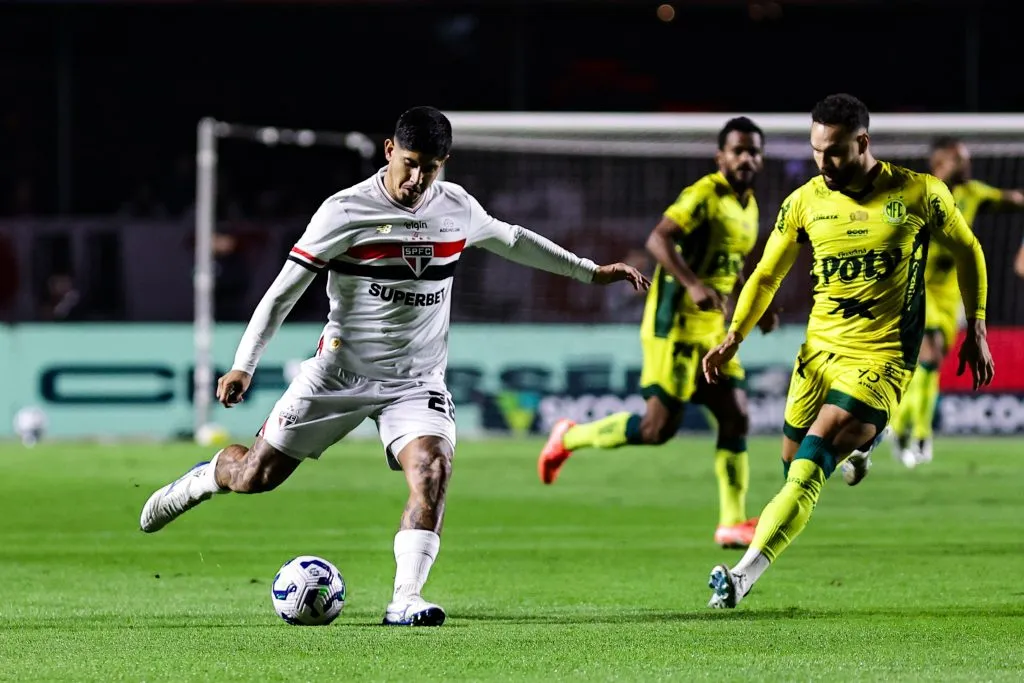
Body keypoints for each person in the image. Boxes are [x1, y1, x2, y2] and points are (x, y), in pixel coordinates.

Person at [139, 106, 648, 626]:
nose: (417, 178)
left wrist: (589, 272)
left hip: (415, 381)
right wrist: (244, 365)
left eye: (430, 166)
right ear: (388, 151)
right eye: (409, 163)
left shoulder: (455, 207)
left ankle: (405, 598)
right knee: (255, 477)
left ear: (444, 163)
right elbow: (282, 293)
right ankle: (205, 479)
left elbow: (512, 238)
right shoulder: (344, 211)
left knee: (433, 467)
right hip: (338, 373)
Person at [701, 94, 993, 609]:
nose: (824, 163)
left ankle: (741, 578)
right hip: (817, 353)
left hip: (881, 355)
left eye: (834, 151)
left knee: (810, 462)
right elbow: (766, 273)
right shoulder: (805, 202)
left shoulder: (920, 193)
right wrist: (734, 336)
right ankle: (863, 445)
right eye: (817, 151)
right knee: (792, 462)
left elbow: (968, 249)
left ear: (863, 142)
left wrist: (979, 327)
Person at [537, 117, 778, 549]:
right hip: (675, 329)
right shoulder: (705, 194)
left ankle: (731, 521)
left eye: (754, 151)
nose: (747, 158)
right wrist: (692, 284)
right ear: (720, 156)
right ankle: (568, 436)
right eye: (738, 150)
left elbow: (734, 265)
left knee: (736, 416)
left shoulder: (750, 205)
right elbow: (658, 241)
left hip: (714, 332)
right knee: (657, 430)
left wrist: (754, 307)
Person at [887, 137, 1024, 466]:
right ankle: (919, 432)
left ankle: (904, 426)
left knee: (932, 363)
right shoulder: (918, 192)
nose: (967, 165)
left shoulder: (974, 193)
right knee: (929, 352)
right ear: (939, 164)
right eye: (958, 160)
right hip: (916, 283)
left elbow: (1013, 199)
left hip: (951, 291)